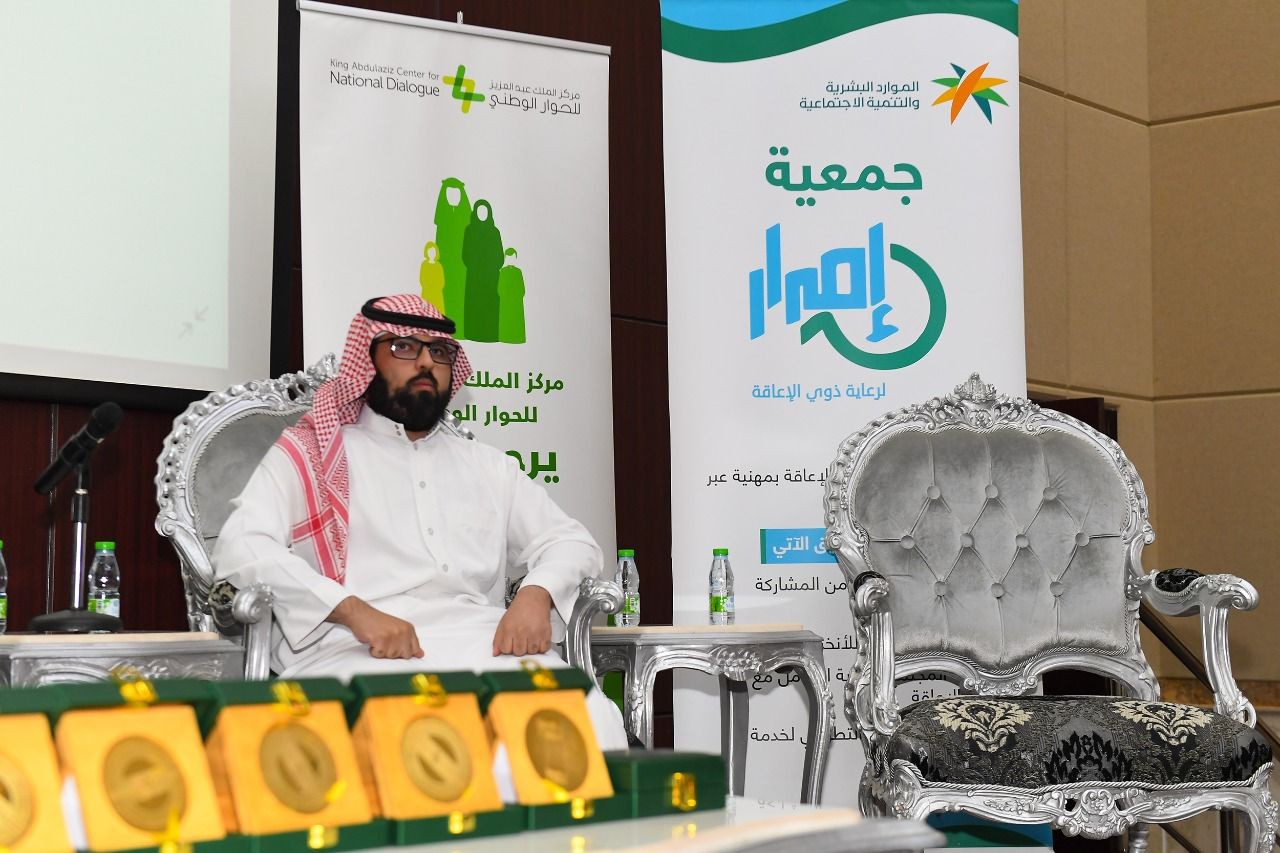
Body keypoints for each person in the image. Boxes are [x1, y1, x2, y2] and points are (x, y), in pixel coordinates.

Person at [212, 293, 626, 754]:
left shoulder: (487, 466)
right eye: (405, 347)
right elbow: (241, 546)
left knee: (583, 713)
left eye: (439, 351)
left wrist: (535, 594)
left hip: (483, 643)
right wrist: (351, 610)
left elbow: (571, 541)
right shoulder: (308, 455)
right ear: (367, 359)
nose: (426, 362)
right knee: (407, 733)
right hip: (354, 649)